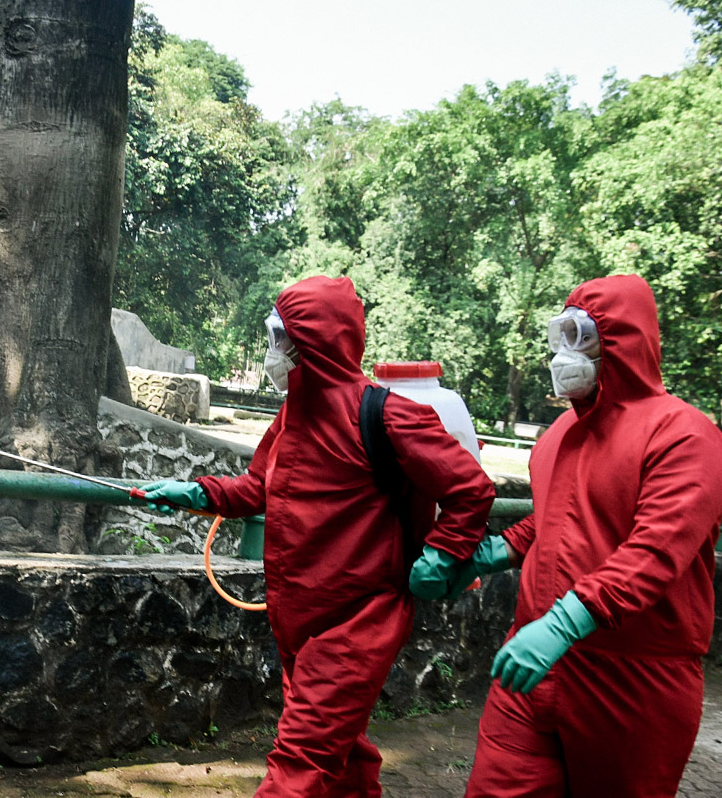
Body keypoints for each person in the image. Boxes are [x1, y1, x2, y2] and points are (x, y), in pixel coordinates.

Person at [142, 275, 494, 797]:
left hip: (359, 622)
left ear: (314, 344)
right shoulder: (291, 416)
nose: (272, 352)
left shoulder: (387, 414)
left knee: (298, 764)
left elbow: (471, 488)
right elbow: (257, 487)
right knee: (342, 753)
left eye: (281, 338)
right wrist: (196, 493)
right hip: (299, 621)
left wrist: (442, 555)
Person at [452, 274, 722, 798]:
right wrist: (494, 552)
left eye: (581, 336)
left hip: (632, 680)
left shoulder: (687, 437)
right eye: (560, 335)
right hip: (533, 666)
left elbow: (654, 552)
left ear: (624, 341)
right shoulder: (559, 434)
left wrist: (564, 622)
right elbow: (557, 517)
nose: (565, 352)